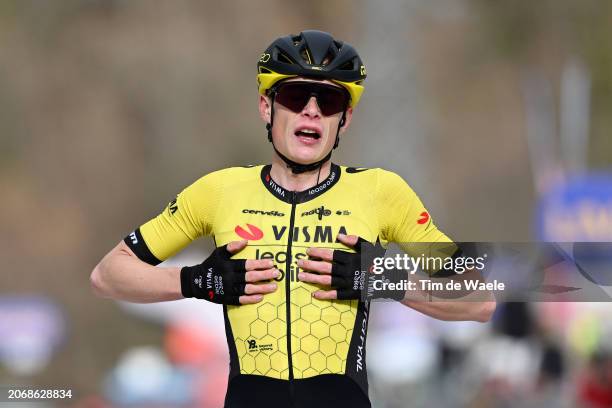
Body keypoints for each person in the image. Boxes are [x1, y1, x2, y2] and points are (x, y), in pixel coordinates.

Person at [91, 30, 496, 408]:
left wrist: (380, 280)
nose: (312, 112)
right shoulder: (219, 190)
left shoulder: (380, 192)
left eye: (330, 102)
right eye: (297, 95)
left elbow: (480, 298)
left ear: (346, 119)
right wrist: (197, 280)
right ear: (267, 107)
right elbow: (108, 275)